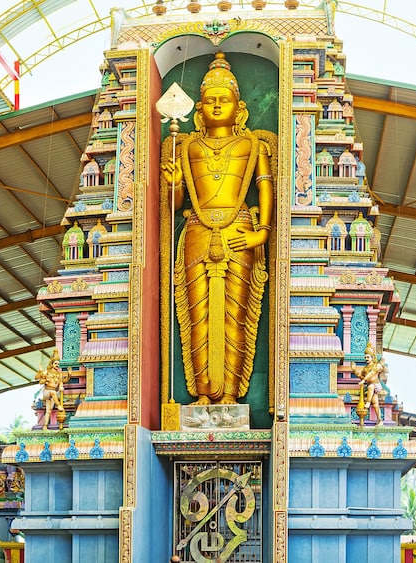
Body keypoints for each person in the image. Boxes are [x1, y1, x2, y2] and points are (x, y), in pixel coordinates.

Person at [161, 52, 274, 405]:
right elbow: (176, 205)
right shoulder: (185, 145)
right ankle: (203, 395)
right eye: (209, 100)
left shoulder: (253, 144)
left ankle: (230, 397)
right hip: (196, 231)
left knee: (235, 317)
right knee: (197, 317)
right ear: (198, 110)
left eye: (224, 100)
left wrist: (264, 231)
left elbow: (266, 186)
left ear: (239, 108)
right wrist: (175, 184)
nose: (216, 105)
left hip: (240, 230)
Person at [35, 350, 71, 428]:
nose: (57, 365)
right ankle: (58, 405)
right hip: (47, 392)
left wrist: (69, 375)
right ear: (52, 364)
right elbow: (38, 380)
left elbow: (63, 381)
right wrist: (41, 374)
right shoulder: (47, 372)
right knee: (53, 393)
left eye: (58, 364)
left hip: (53, 395)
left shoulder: (59, 374)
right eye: (55, 363)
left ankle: (45, 426)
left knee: (48, 411)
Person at [355, 344, 387, 426]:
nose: (366, 359)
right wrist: (355, 371)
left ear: (372, 357)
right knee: (375, 403)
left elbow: (372, 373)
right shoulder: (365, 368)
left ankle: (368, 402)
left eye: (368, 357)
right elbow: (362, 376)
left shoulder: (376, 366)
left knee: (371, 386)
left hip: (376, 385)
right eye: (365, 357)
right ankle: (380, 420)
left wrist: (364, 380)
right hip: (371, 389)